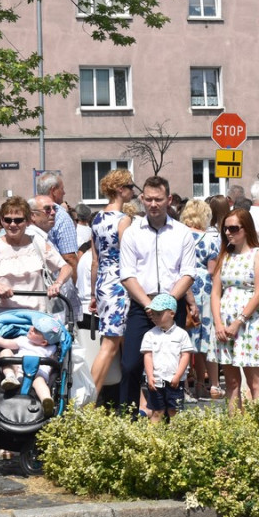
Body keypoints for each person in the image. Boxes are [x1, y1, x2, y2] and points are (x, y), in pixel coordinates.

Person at [118, 176, 196, 411]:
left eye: (158, 199)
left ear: (168, 199)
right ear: (142, 199)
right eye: (148, 199)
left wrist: (168, 303)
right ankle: (128, 418)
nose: (153, 204)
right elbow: (127, 274)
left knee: (172, 368)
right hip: (142, 305)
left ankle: (172, 422)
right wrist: (149, 305)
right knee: (130, 364)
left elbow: (188, 273)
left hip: (173, 305)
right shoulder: (132, 233)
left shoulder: (182, 233)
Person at [0, 196, 71, 316]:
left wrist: (57, 283)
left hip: (36, 317)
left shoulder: (37, 243)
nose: (12, 225)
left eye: (18, 220)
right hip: (3, 317)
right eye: (8, 220)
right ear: (2, 221)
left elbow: (66, 267)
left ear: (28, 221)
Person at [209, 208, 259, 412]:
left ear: (246, 229)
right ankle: (235, 430)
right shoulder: (224, 257)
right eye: (225, 229)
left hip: (249, 323)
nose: (228, 233)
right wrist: (218, 323)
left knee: (254, 381)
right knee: (232, 382)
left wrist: (238, 322)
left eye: (234, 228)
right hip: (224, 325)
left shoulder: (257, 255)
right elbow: (215, 293)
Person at [88, 169, 135, 397]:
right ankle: (88, 400)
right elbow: (128, 257)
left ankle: (132, 399)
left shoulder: (97, 219)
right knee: (110, 345)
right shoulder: (123, 220)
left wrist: (93, 293)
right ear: (120, 189)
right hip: (120, 283)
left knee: (119, 344)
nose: (133, 191)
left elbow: (94, 260)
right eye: (130, 187)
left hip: (104, 283)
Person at [0, 314, 63, 417]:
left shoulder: (51, 349)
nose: (31, 328)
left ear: (44, 342)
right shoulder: (23, 340)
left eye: (36, 331)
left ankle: (46, 400)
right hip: (17, 371)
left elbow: (54, 363)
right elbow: (4, 342)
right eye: (33, 326)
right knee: (6, 351)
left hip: (38, 372)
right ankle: (10, 377)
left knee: (40, 383)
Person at [179, 199, 220, 400]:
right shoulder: (212, 239)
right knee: (207, 338)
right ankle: (212, 384)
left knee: (185, 337)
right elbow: (212, 270)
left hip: (182, 285)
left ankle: (185, 384)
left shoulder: (178, 236)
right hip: (204, 288)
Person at [140, 294, 194, 422]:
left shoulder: (181, 334)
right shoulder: (150, 334)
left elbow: (185, 356)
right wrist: (150, 376)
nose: (155, 317)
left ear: (171, 313)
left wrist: (178, 375)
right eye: (153, 314)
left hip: (174, 380)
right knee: (157, 411)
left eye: (159, 314)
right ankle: (152, 439)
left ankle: (174, 438)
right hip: (156, 380)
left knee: (174, 411)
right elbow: (148, 356)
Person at [36, 171, 79, 278]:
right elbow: (69, 257)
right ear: (53, 190)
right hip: (56, 280)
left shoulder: (31, 209)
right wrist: (75, 286)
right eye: (62, 189)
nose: (64, 193)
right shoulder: (60, 215)